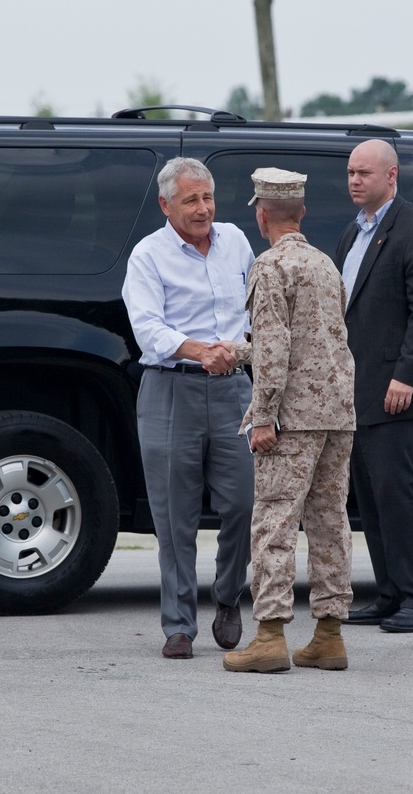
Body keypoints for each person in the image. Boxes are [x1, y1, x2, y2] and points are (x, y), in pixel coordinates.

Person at [218, 168, 356, 674]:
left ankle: (271, 635)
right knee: (329, 522)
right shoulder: (324, 264)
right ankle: (329, 635)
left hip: (293, 417)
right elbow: (320, 340)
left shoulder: (270, 266)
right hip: (338, 414)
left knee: (275, 520)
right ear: (301, 213)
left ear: (261, 215)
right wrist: (236, 351)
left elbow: (275, 348)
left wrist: (262, 417)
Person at [121, 157, 254, 660]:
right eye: (191, 200)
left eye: (208, 198)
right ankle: (179, 625)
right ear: (166, 205)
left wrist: (237, 351)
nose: (203, 209)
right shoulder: (148, 255)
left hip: (233, 389)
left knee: (243, 501)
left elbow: (253, 309)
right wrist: (200, 350)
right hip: (171, 388)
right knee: (174, 516)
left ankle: (228, 596)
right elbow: (148, 328)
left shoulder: (236, 242)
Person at [335, 139, 413, 633]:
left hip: (394, 389)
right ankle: (389, 595)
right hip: (355, 392)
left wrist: (406, 374)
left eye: (364, 172)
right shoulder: (352, 234)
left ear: (391, 176)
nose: (354, 180)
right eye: (350, 172)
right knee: (372, 498)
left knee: (398, 496)